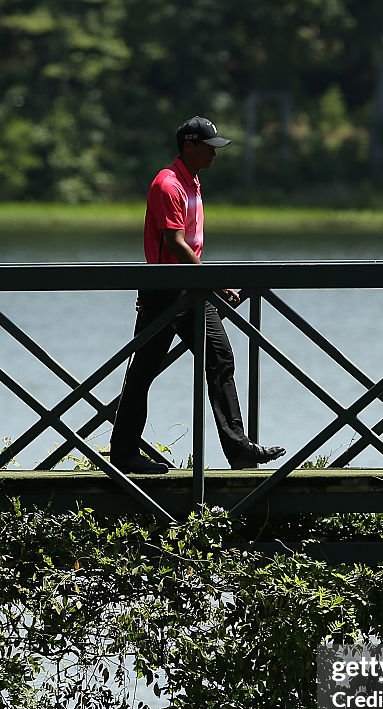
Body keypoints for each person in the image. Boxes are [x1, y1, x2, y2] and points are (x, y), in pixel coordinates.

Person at [110, 115, 286, 474]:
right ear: (188, 146)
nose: (214, 155)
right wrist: (216, 283)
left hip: (191, 291)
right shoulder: (167, 184)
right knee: (142, 373)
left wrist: (206, 284)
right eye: (208, 148)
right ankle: (124, 456)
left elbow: (188, 244)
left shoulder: (192, 181)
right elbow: (175, 244)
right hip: (166, 292)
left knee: (220, 360)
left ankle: (239, 450)